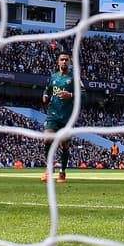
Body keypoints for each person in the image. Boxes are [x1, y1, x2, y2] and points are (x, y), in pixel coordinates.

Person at [41, 52, 77, 183]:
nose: (64, 62)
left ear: (70, 62)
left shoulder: (74, 79)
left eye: (66, 60)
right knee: (47, 140)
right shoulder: (53, 77)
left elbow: (84, 95)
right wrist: (45, 95)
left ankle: (62, 172)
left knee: (65, 145)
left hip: (67, 117)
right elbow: (47, 89)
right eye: (62, 59)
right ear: (58, 62)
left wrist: (71, 95)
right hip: (52, 115)